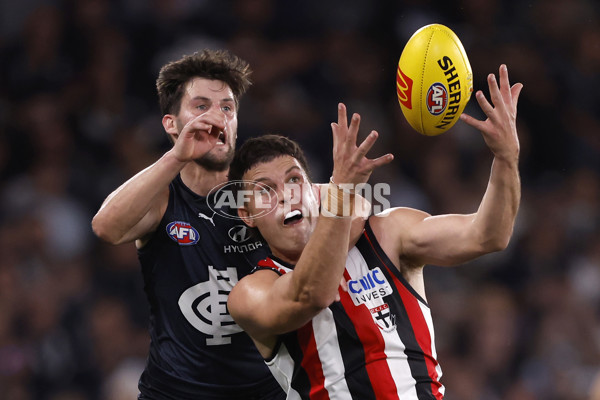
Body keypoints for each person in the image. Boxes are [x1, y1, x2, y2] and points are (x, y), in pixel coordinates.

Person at [227, 64, 522, 399]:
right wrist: (343, 196)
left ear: (313, 191)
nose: (285, 195)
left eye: (295, 180)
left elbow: (489, 235)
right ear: (247, 215)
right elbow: (311, 294)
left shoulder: (387, 232)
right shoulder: (251, 292)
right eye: (265, 190)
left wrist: (505, 157)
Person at [92, 49, 286, 399]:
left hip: (267, 392)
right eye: (201, 106)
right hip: (174, 392)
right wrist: (177, 156)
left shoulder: (264, 194)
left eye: (227, 108)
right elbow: (107, 227)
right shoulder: (164, 198)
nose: (216, 118)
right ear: (171, 123)